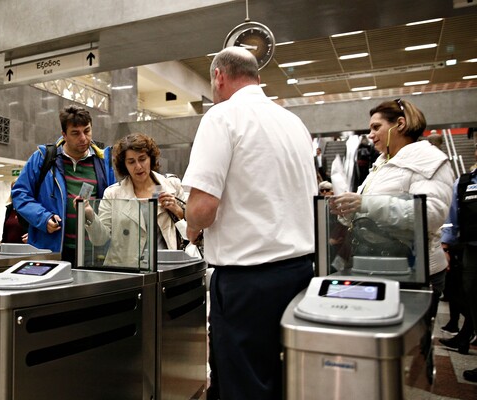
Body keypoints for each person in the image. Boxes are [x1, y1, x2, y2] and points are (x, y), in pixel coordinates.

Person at [182, 47, 316, 400]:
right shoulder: (293, 122)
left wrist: (189, 218)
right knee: (282, 380)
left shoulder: (222, 116)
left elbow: (201, 208)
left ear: (219, 77)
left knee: (243, 385)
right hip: (301, 273)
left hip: (248, 284)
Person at [330, 99, 454, 322]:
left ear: (400, 124)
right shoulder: (382, 164)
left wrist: (364, 203)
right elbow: (368, 208)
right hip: (380, 266)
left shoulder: (430, 161)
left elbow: (430, 215)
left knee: (410, 350)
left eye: (376, 127)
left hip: (415, 272)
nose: (371, 134)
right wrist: (346, 208)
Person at [12, 105, 109, 264]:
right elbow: (20, 194)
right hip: (51, 250)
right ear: (64, 134)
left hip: (93, 253)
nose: (83, 138)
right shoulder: (43, 158)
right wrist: (43, 218)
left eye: (87, 131)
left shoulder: (103, 163)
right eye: (75, 133)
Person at [83, 133, 185, 267]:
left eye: (142, 159)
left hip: (165, 267)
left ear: (151, 158)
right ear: (124, 165)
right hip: (126, 271)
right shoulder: (113, 193)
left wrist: (178, 210)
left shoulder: (172, 186)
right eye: (131, 162)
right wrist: (90, 215)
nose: (138, 166)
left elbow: (194, 226)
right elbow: (100, 239)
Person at [439, 146, 477, 374]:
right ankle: (465, 332)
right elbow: (451, 216)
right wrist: (445, 245)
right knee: (469, 295)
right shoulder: (465, 182)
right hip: (470, 249)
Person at [1, 180, 27, 245]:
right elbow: (5, 233)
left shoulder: (28, 209)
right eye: (14, 189)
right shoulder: (9, 209)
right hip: (8, 248)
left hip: (23, 249)